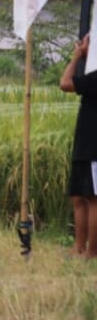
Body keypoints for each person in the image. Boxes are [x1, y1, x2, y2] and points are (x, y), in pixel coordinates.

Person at [61, 32, 97, 259]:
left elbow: (65, 83)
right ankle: (79, 247)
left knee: (93, 198)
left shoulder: (96, 78)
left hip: (94, 147)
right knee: (78, 196)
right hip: (85, 143)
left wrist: (76, 56)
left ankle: (92, 252)